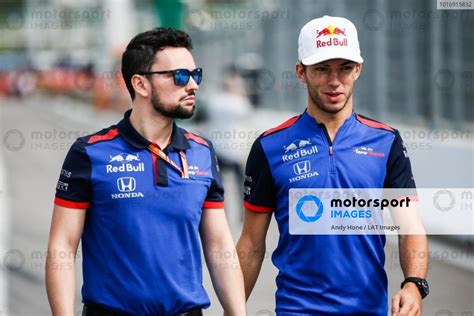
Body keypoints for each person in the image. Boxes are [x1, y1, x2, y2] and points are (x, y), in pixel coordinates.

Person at [46, 27, 246, 316]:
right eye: (179, 76)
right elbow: (62, 246)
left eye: (195, 75)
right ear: (140, 84)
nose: (192, 85)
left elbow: (219, 245)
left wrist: (237, 313)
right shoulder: (89, 152)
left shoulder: (202, 151)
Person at [236, 16, 429, 315]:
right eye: (322, 69)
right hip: (296, 309)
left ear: (359, 70)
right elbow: (250, 245)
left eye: (345, 68)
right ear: (301, 72)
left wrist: (414, 284)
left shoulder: (387, 141)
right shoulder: (270, 146)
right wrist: (232, 310)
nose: (335, 81)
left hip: (369, 309)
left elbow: (409, 226)